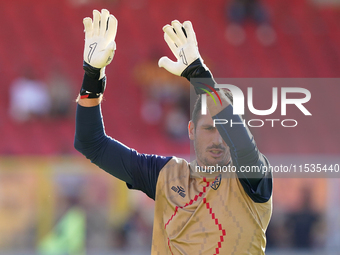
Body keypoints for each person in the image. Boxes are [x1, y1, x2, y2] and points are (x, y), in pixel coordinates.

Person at [74, 9, 272, 254]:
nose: (219, 139)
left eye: (226, 129)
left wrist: (199, 75)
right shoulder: (167, 176)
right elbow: (91, 143)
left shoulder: (253, 179)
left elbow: (244, 147)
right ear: (191, 130)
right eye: (209, 129)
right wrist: (93, 76)